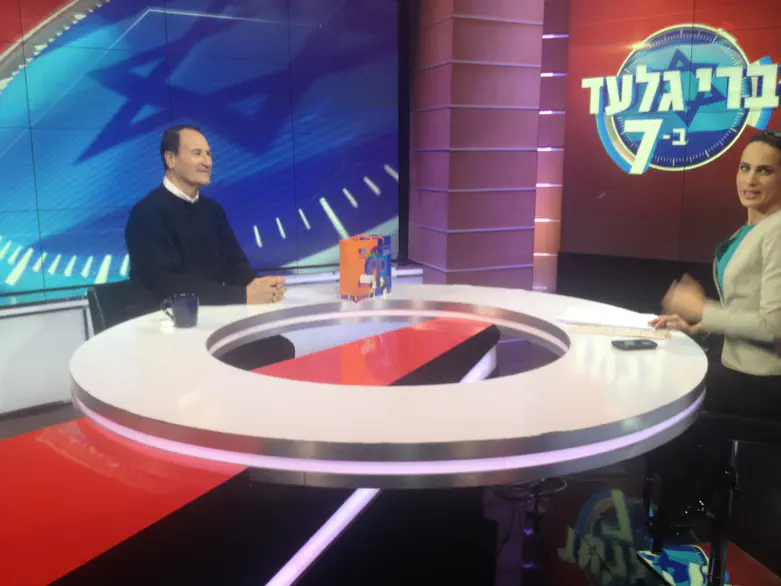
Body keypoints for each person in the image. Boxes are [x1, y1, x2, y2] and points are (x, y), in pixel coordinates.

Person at [650, 129, 781, 421]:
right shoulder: (753, 229)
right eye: (745, 168)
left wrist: (701, 308)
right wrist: (698, 325)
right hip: (737, 369)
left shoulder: (777, 231)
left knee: (658, 396)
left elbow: (773, 327)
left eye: (764, 171)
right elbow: (745, 308)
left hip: (762, 382)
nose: (750, 180)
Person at [125, 125, 285, 306]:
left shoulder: (213, 210)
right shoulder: (147, 214)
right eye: (197, 153)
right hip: (164, 318)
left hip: (215, 313)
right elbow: (166, 283)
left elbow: (234, 265)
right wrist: (242, 296)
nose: (207, 162)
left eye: (208, 154)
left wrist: (260, 286)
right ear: (170, 159)